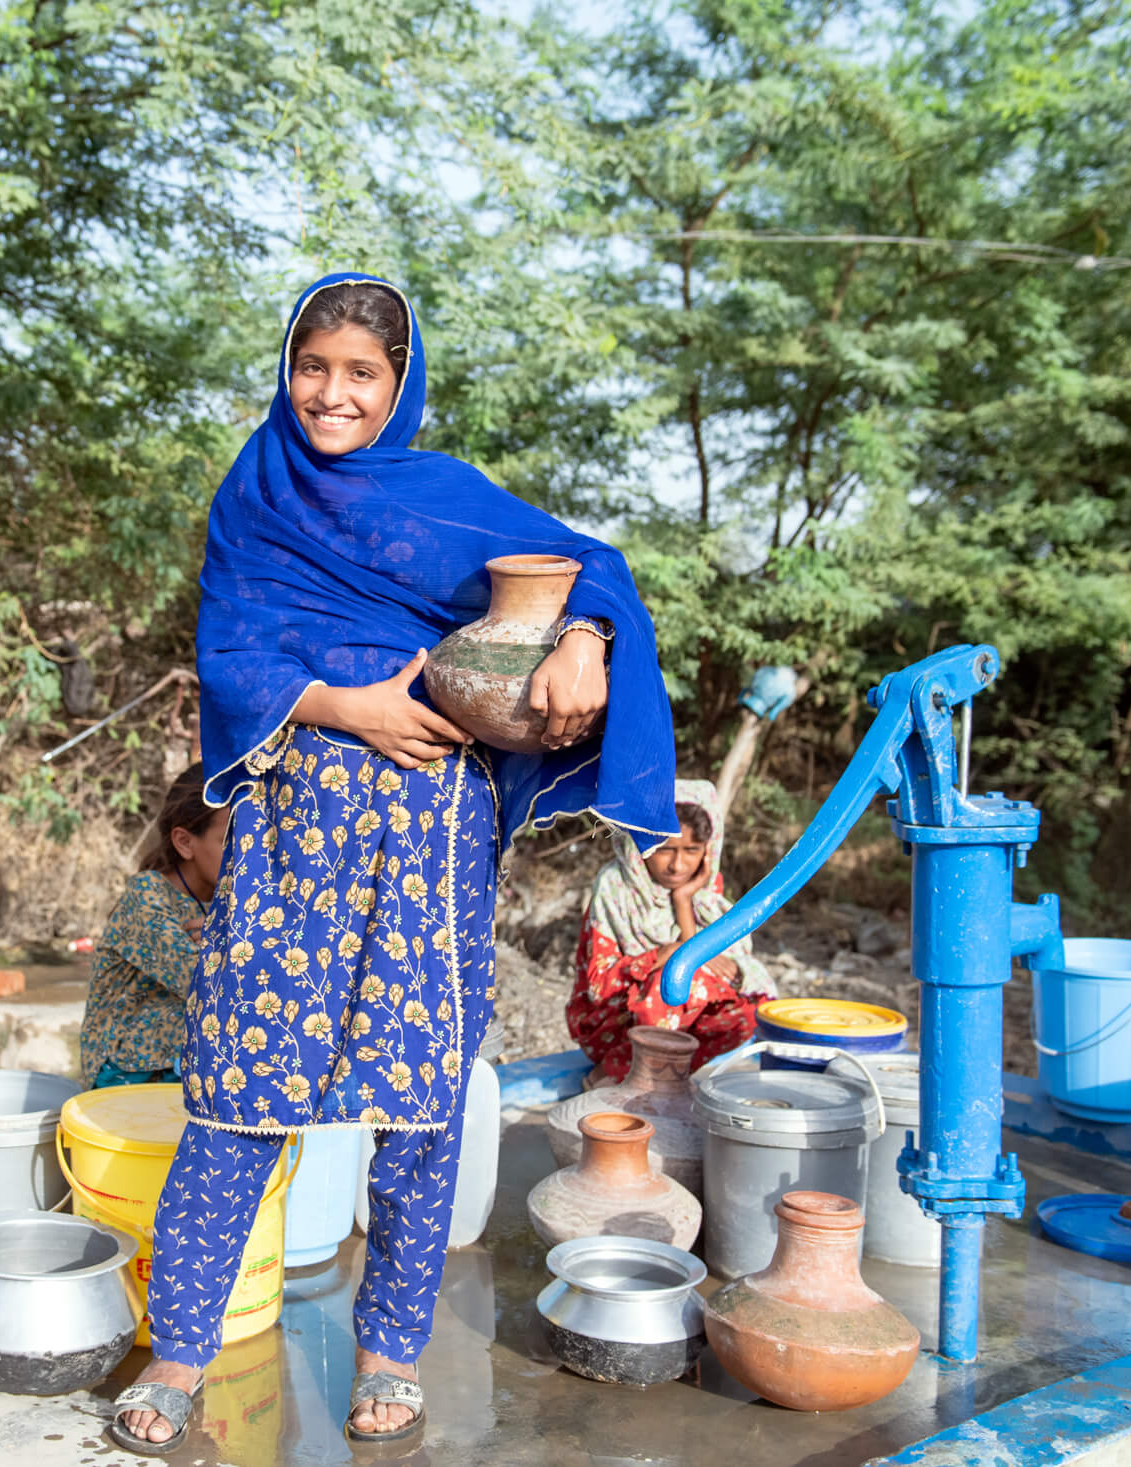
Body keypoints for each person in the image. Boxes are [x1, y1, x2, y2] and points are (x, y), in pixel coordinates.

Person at [106, 274, 679, 1455]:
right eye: (313, 367)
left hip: (430, 836)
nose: (332, 393)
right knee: (235, 1092)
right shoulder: (256, 491)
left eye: (361, 373)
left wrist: (580, 635)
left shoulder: (444, 501)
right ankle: (178, 1353)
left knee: (417, 1106)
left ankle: (390, 1354)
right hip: (291, 828)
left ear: (399, 382)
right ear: (287, 368)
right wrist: (350, 703)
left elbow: (593, 567)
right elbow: (228, 647)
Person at [566, 778, 776, 1076]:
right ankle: (615, 1074)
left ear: (708, 850)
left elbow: (714, 967)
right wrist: (660, 957)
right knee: (673, 979)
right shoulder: (617, 886)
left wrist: (682, 900)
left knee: (750, 1012)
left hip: (679, 1024)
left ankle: (666, 1076)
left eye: (691, 850)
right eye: (665, 850)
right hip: (612, 1022)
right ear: (641, 841)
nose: (678, 866)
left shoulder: (704, 891)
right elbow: (599, 985)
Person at [78, 766, 230, 1088]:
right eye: (230, 840)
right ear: (184, 842)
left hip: (181, 1068)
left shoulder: (230, 902)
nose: (247, 855)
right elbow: (204, 985)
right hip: (126, 1076)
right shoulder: (148, 895)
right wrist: (238, 940)